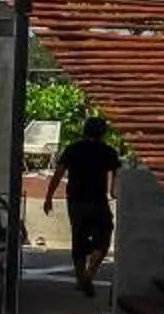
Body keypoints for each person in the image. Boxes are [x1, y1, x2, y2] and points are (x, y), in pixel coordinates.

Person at [43, 115, 123, 297]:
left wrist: (48, 197)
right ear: (103, 133)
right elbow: (116, 180)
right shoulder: (108, 151)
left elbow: (58, 174)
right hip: (97, 201)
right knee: (103, 237)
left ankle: (81, 278)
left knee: (78, 238)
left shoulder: (73, 149)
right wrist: (113, 191)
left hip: (75, 202)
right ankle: (89, 274)